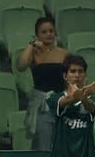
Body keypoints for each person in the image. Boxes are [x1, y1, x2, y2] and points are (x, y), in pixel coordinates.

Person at [48, 54, 95, 157]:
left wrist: (82, 96)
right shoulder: (54, 98)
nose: (77, 75)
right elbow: (64, 102)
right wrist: (80, 94)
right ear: (65, 76)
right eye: (72, 71)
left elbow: (91, 107)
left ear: (85, 74)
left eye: (80, 71)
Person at [15, 17, 68, 150]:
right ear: (37, 35)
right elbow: (21, 66)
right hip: (41, 106)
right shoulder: (33, 53)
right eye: (44, 32)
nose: (48, 34)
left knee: (61, 145)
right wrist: (31, 44)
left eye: (51, 31)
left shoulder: (64, 54)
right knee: (42, 146)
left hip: (61, 103)